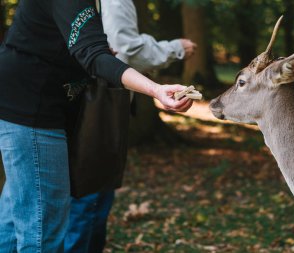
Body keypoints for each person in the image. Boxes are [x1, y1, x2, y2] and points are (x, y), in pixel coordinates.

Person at [0, 0, 193, 252]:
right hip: (33, 110)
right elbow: (93, 54)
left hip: (35, 105)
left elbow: (64, 43)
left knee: (15, 219)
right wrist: (156, 89)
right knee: (42, 231)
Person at [64, 1, 197, 252]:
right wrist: (174, 49)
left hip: (89, 104)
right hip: (98, 108)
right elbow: (128, 50)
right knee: (90, 194)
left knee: (92, 194)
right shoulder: (117, 1)